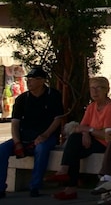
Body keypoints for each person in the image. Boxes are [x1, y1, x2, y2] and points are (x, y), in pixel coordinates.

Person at [49, 77, 111, 200]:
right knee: (74, 145)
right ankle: (68, 182)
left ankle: (68, 182)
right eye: (92, 88)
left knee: (74, 145)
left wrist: (88, 131)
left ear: (106, 90)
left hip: (109, 144)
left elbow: (107, 135)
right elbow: (82, 126)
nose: (95, 92)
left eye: (98, 88)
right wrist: (85, 133)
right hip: (93, 140)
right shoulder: (92, 106)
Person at [0, 66, 65, 198]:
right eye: (28, 79)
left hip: (46, 136)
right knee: (2, 150)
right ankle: (1, 188)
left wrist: (45, 135)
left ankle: (35, 186)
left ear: (41, 81)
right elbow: (15, 123)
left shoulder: (53, 95)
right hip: (24, 136)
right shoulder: (22, 99)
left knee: (41, 150)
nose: (29, 82)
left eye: (32, 79)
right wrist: (17, 142)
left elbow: (58, 119)